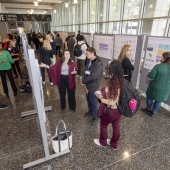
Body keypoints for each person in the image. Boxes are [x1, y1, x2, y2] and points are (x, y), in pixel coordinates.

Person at [94, 60, 124, 150]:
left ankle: (102, 142)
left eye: (108, 68)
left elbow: (112, 101)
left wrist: (101, 98)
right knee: (116, 126)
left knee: (103, 125)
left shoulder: (113, 83)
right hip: (119, 110)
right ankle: (114, 144)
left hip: (111, 110)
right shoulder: (121, 79)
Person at [141, 52, 170, 118]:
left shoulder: (158, 66)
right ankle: (153, 113)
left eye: (162, 57)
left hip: (154, 88)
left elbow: (150, 77)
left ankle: (148, 109)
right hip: (165, 89)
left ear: (164, 58)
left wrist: (148, 74)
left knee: (149, 97)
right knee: (159, 100)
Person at [82, 47, 103, 125]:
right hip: (87, 83)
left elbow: (93, 76)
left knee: (93, 101)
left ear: (92, 54)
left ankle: (95, 117)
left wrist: (84, 81)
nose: (86, 55)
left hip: (93, 85)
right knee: (88, 98)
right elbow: (85, 70)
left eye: (87, 54)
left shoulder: (98, 64)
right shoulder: (89, 60)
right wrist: (83, 80)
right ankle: (90, 111)